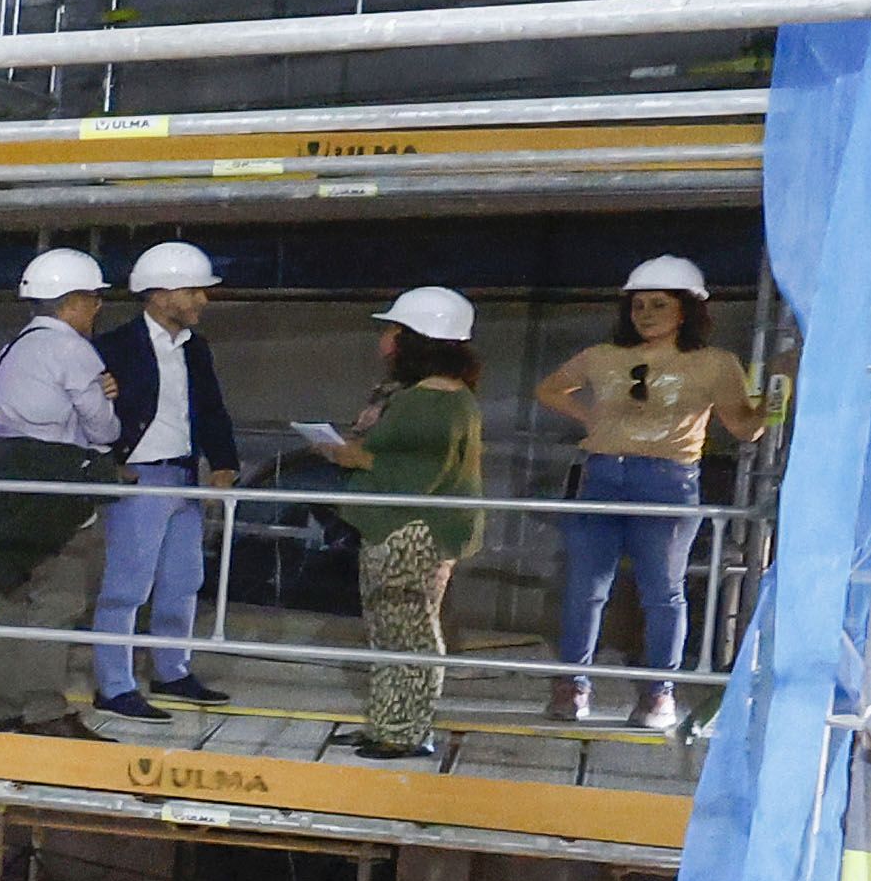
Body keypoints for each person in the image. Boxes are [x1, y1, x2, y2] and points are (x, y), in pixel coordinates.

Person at [535, 252, 764, 734]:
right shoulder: (602, 357)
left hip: (668, 479)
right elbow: (550, 389)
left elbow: (744, 428)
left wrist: (779, 400)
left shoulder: (714, 364)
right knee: (585, 587)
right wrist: (591, 419)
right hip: (602, 474)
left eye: (658, 305)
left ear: (687, 310)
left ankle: (659, 693)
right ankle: (573, 684)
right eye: (639, 306)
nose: (646, 314)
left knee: (662, 592)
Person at [291, 287, 487, 763]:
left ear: (417, 339)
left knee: (408, 629)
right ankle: (387, 722)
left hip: (412, 529)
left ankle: (406, 731)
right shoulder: (430, 396)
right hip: (403, 527)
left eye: (393, 330)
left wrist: (348, 453)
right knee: (388, 627)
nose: (384, 340)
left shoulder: (435, 402)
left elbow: (413, 473)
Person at [82, 239, 244, 727]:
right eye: (193, 290)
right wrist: (112, 464)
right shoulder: (113, 347)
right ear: (159, 294)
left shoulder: (195, 349)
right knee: (126, 587)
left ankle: (171, 669)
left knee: (182, 580)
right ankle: (114, 685)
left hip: (183, 474)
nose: (202, 301)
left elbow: (211, 407)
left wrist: (223, 461)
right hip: (139, 477)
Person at [0, 249, 120, 715]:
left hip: (6, 478)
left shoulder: (12, 348)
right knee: (57, 597)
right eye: (94, 301)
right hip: (55, 483)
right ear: (72, 301)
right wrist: (103, 398)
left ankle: (4, 709)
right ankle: (45, 712)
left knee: (12, 593)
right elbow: (103, 429)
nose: (96, 310)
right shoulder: (71, 349)